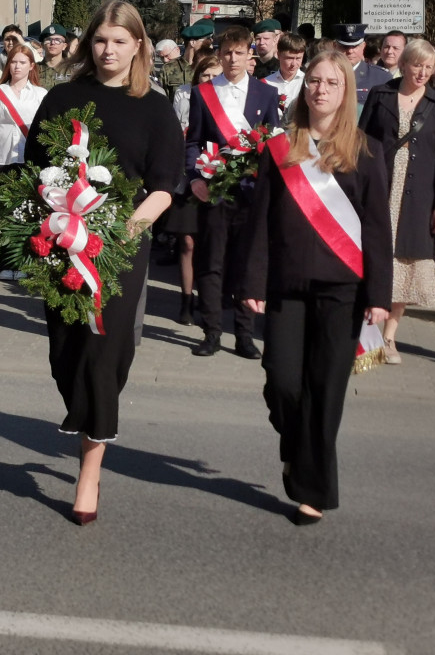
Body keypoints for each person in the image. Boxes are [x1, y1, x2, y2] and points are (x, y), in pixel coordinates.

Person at [23, 0, 184, 524]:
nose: (109, 50)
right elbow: (36, 168)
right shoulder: (63, 98)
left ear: (138, 44)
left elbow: (164, 186)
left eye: (120, 40)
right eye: (100, 40)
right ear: (87, 44)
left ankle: (89, 470)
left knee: (103, 353)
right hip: (61, 239)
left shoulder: (155, 107)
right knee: (65, 354)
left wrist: (122, 232)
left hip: (118, 246)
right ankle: (82, 414)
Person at [241, 51, 392, 525]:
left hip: (343, 291)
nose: (320, 89)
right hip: (286, 285)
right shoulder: (279, 148)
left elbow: (376, 230)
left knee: (325, 391)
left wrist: (380, 298)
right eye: (313, 81)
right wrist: (253, 280)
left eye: (331, 82)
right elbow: (261, 222)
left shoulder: (366, 152)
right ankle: (296, 446)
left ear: (346, 92)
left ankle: (314, 491)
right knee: (283, 383)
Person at [186, 26, 280, 358]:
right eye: (227, 52)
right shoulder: (203, 93)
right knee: (211, 262)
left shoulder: (265, 94)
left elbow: (273, 142)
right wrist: (195, 177)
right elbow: (193, 142)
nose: (232, 59)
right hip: (214, 191)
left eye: (239, 53)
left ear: (249, 55)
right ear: (219, 54)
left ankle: (243, 334)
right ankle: (211, 331)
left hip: (252, 194)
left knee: (247, 263)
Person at [359, 39, 435, 363]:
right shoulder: (381, 95)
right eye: (417, 65)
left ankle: (389, 338)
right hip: (380, 188)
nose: (423, 72)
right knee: (374, 257)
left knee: (406, 267)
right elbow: (362, 142)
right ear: (404, 64)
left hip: (419, 197)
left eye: (429, 67)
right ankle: (364, 332)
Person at [0, 44, 47, 280]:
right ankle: (3, 263)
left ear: (32, 66)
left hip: (29, 159)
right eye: (13, 62)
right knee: (4, 213)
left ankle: (25, 263)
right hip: (2, 159)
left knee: (28, 214)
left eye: (22, 62)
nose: (17, 66)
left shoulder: (41, 95)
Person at [167, 54, 223, 324]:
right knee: (187, 242)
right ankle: (186, 300)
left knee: (209, 244)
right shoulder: (185, 96)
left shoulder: (228, 99)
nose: (210, 81)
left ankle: (208, 299)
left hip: (219, 176)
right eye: (205, 75)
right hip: (188, 174)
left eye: (215, 76)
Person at [334, 23, 390, 107]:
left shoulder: (381, 77)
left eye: (355, 46)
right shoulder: (323, 74)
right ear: (335, 46)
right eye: (345, 46)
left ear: (363, 46)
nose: (350, 51)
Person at [264, 33, 306, 116]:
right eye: (289, 58)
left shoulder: (307, 82)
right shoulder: (266, 83)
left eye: (298, 58)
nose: (294, 64)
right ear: (278, 55)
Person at [0, 24, 25, 91]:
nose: (10, 43)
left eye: (14, 39)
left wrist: (23, 44)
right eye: (7, 39)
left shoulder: (27, 61)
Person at [156, 38, 192, 102]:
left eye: (167, 55)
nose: (165, 60)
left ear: (177, 50)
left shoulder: (192, 64)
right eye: (161, 57)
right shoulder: (165, 70)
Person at [38, 23, 72, 89]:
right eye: (48, 40)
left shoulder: (72, 71)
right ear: (42, 45)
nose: (53, 43)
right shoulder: (34, 70)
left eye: (58, 40)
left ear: (64, 46)